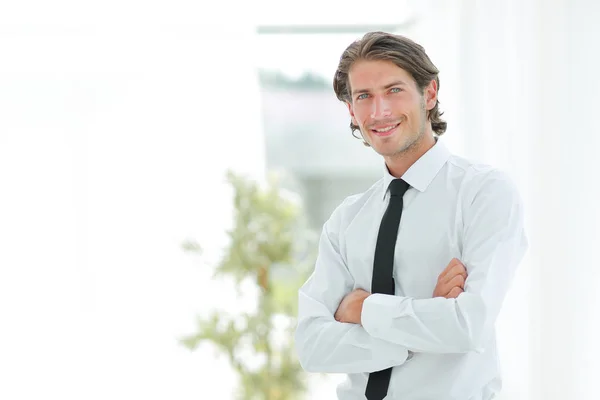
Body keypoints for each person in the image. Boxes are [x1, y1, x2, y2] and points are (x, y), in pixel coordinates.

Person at [294, 31, 528, 400]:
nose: (379, 111)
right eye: (364, 97)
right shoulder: (346, 219)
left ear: (429, 93)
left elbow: (468, 326)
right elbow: (312, 345)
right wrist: (422, 327)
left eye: (394, 90)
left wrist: (364, 308)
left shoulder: (484, 193)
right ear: (351, 111)